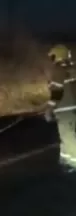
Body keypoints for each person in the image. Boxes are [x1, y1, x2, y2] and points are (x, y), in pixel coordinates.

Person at [45, 44, 76, 172]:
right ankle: (65, 159)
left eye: (53, 56)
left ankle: (73, 162)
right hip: (73, 108)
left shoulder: (58, 70)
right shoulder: (73, 68)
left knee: (67, 136)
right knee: (67, 134)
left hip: (65, 109)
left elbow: (57, 91)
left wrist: (49, 108)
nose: (52, 59)